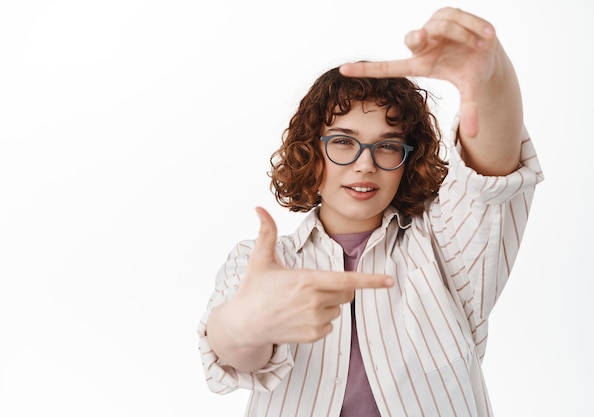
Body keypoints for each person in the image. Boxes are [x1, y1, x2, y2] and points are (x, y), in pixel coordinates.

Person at [197, 7, 543, 417]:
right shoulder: (264, 263)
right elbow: (231, 351)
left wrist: (490, 79)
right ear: (311, 150)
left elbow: (491, 174)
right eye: (344, 141)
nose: (366, 164)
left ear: (406, 158)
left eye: (388, 145)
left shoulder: (441, 250)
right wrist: (245, 324)